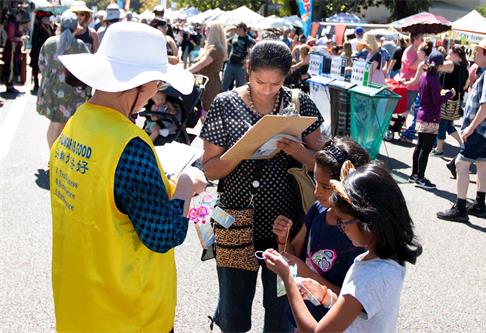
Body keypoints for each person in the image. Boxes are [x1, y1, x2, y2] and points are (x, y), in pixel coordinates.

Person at [52, 21, 206, 332]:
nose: (154, 94)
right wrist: (186, 187)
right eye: (156, 85)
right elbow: (163, 234)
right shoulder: (130, 145)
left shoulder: (77, 122)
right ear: (140, 84)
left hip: (78, 301)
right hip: (127, 312)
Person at [200, 40, 324, 333]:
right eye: (259, 81)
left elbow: (322, 164)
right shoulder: (225, 104)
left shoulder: (299, 102)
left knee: (282, 305)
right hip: (234, 222)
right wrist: (240, 151)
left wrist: (298, 152)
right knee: (233, 306)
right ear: (248, 70)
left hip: (286, 227)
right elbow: (210, 168)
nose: (267, 89)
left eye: (275, 83)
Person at [263, 162, 423, 333]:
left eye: (342, 221)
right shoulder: (383, 260)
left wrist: (288, 279)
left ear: (368, 222)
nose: (341, 227)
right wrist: (325, 296)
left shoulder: (370, 276)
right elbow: (355, 312)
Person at [272, 137, 369, 326]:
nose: (316, 192)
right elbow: (294, 256)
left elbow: (352, 302)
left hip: (331, 325)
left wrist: (306, 273)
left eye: (325, 186)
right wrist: (283, 239)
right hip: (302, 315)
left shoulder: (358, 235)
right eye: (315, 182)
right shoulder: (317, 210)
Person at [437, 39, 486, 222]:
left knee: (461, 165)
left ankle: (461, 207)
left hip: (480, 129)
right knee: (482, 164)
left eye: (479, 52)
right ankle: (479, 204)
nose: (475, 54)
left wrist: (471, 128)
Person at [36, 10, 91, 149]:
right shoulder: (79, 45)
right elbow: (88, 70)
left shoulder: (49, 43)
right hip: (72, 91)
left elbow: (41, 65)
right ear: (75, 28)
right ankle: (58, 157)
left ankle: (52, 155)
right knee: (66, 125)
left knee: (55, 122)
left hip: (51, 89)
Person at [409, 51, 455, 189]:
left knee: (419, 146)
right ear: (440, 66)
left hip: (421, 114)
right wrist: (449, 94)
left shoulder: (424, 75)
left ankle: (414, 175)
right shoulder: (434, 78)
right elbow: (437, 101)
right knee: (426, 148)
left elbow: (429, 95)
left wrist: (442, 93)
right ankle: (420, 178)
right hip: (431, 116)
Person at [432, 46, 469, 156]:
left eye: (450, 54)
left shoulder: (453, 65)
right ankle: (463, 144)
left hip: (447, 99)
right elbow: (465, 85)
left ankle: (439, 149)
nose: (447, 56)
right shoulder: (464, 67)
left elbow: (438, 67)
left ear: (456, 55)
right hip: (455, 99)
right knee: (447, 125)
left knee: (442, 124)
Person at [188, 22, 227, 112]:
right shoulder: (212, 47)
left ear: (213, 31)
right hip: (205, 81)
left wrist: (186, 72)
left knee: (206, 111)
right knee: (202, 111)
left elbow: (202, 64)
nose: (204, 31)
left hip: (209, 83)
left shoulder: (215, 49)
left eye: (207, 29)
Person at [399, 33, 425, 143]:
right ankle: (400, 127)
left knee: (411, 110)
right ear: (415, 39)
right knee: (406, 108)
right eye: (421, 38)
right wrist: (421, 58)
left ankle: (403, 129)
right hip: (409, 84)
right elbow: (413, 66)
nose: (423, 40)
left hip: (415, 85)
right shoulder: (409, 51)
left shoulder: (415, 51)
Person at [2, 11, 30, 93]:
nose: (20, 17)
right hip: (11, 48)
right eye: (19, 15)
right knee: (10, 67)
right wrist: (21, 38)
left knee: (13, 67)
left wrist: (22, 37)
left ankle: (11, 85)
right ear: (16, 15)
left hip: (15, 49)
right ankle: (9, 86)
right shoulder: (12, 23)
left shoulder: (15, 23)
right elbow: (11, 37)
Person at [221, 22, 252, 92]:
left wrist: (246, 62)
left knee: (240, 88)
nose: (236, 30)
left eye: (238, 28)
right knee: (224, 84)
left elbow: (249, 52)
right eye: (236, 28)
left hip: (240, 66)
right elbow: (226, 41)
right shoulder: (235, 36)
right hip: (230, 64)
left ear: (242, 29)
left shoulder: (248, 39)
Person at [29, 9, 54, 93]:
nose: (48, 19)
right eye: (46, 18)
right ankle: (36, 84)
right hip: (39, 51)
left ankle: (46, 84)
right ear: (42, 19)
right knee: (36, 67)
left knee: (48, 69)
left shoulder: (49, 26)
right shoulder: (38, 27)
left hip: (49, 51)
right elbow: (34, 41)